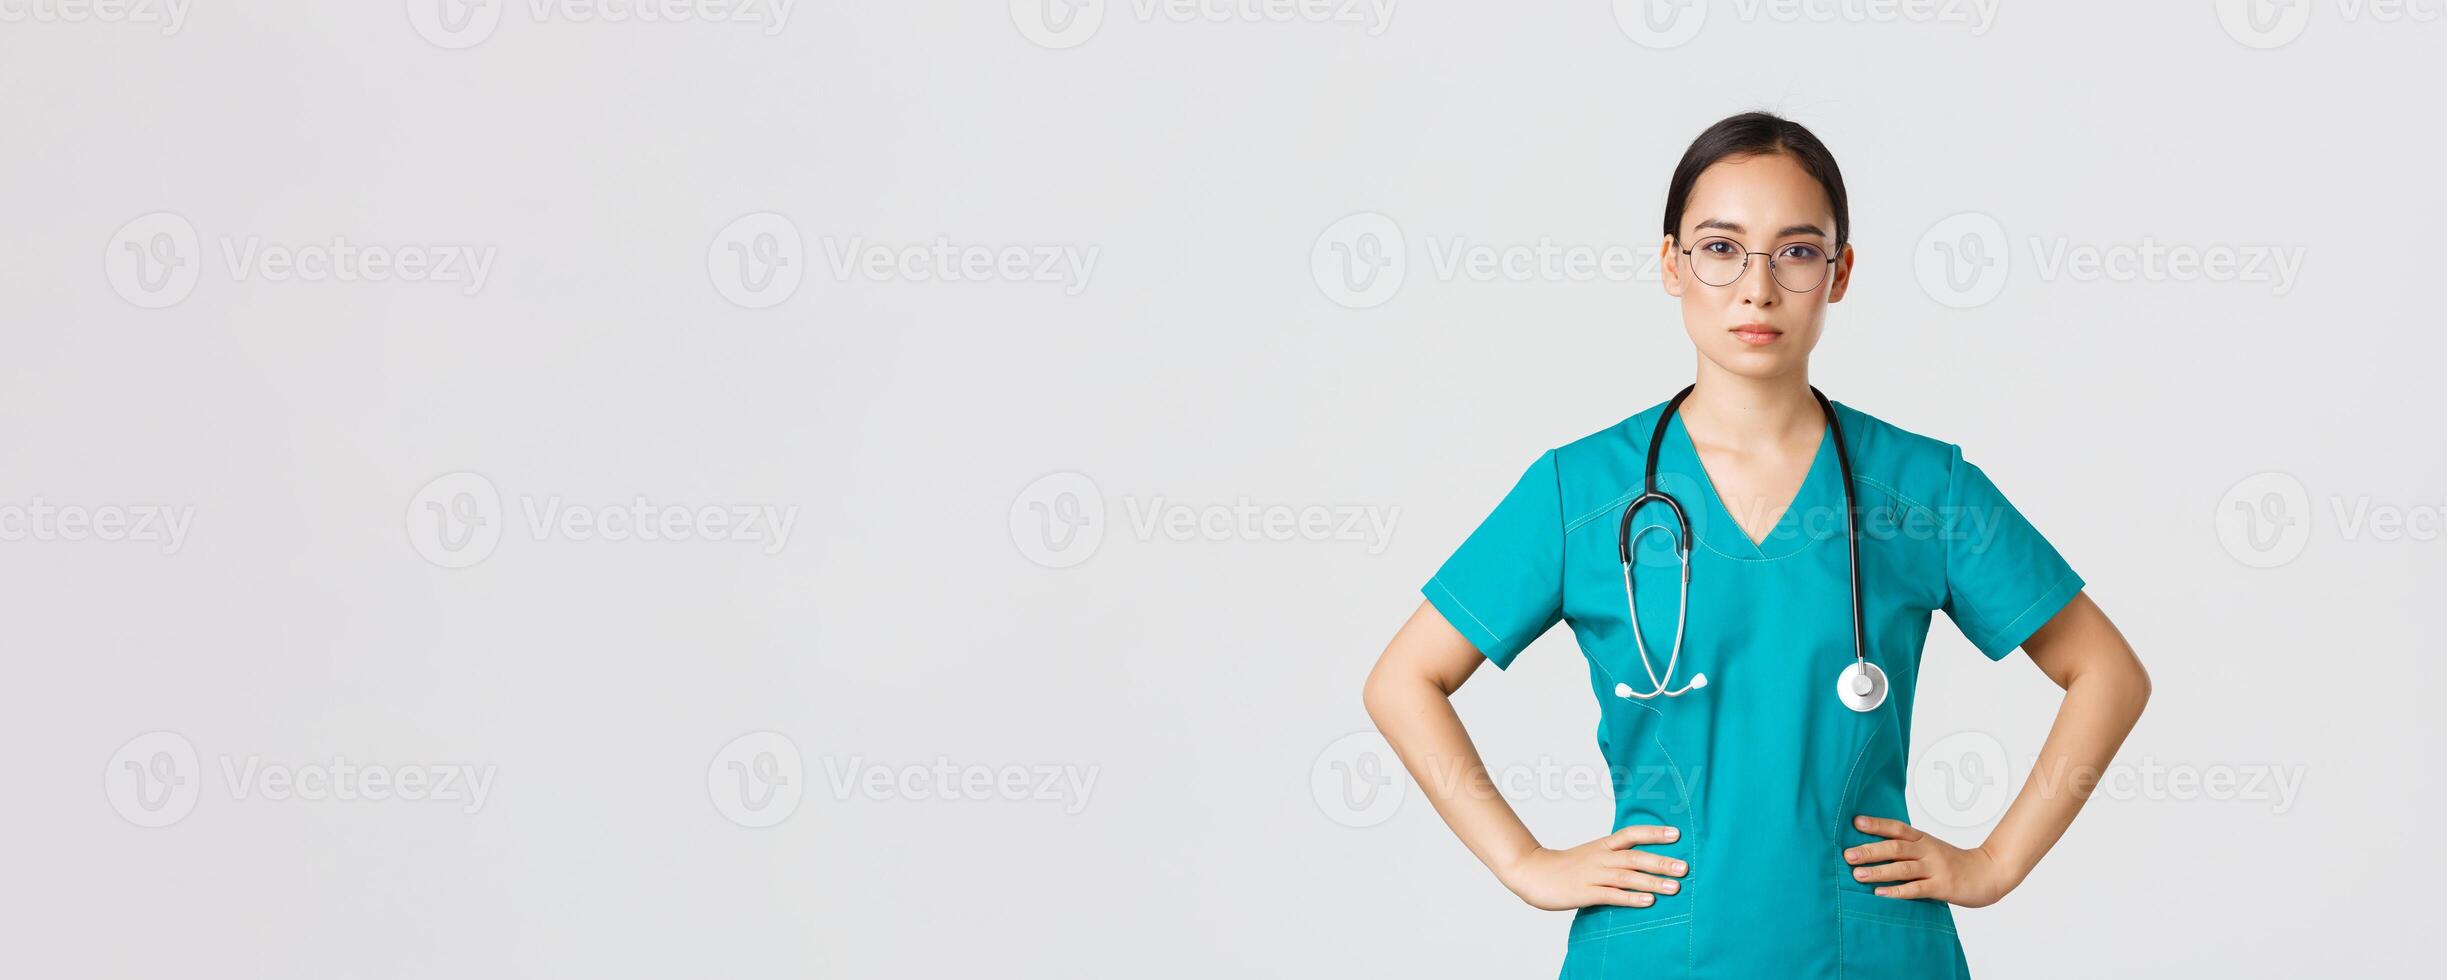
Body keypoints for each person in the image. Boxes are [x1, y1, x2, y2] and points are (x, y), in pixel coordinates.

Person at [1360, 111, 2151, 978]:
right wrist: (1522, 862)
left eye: (1797, 251)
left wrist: (1994, 864)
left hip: (1869, 951)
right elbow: (1404, 681)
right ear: (1671, 264)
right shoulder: (1579, 493)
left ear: (1839, 273)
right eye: (1720, 247)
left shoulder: (1921, 489)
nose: (1756, 288)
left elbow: (2108, 673)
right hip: (1657, 950)